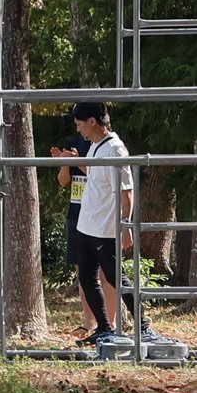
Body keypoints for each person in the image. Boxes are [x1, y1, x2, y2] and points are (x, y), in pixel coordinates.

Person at [67, 102, 136, 345]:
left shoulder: (115, 149)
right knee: (87, 278)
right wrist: (75, 161)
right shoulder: (95, 146)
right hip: (86, 225)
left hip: (105, 227)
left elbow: (127, 191)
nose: (78, 130)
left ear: (92, 121)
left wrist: (125, 225)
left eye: (79, 124)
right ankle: (104, 327)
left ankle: (143, 325)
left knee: (116, 277)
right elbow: (95, 175)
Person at [50, 130, 120, 338]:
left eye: (81, 123)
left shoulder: (108, 147)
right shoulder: (75, 142)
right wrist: (65, 163)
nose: (79, 129)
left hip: (102, 215)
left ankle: (111, 323)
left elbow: (98, 174)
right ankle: (90, 322)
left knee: (106, 273)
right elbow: (63, 181)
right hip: (77, 214)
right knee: (84, 273)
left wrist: (78, 160)